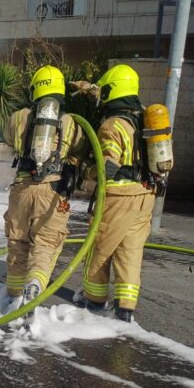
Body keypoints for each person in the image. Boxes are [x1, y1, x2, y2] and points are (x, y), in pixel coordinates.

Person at [3, 65, 88, 325]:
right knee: (46, 243)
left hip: (21, 188)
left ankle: (14, 295)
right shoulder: (71, 122)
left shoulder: (18, 117)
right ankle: (35, 286)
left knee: (18, 241)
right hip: (53, 191)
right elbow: (83, 149)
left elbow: (8, 139)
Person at [74, 64, 156, 323]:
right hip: (145, 194)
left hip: (118, 197)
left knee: (100, 249)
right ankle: (125, 308)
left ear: (113, 90)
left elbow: (107, 166)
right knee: (130, 252)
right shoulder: (144, 119)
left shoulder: (112, 125)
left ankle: (94, 300)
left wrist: (85, 171)